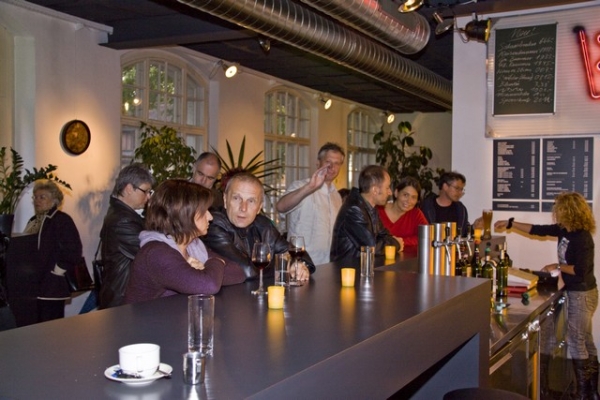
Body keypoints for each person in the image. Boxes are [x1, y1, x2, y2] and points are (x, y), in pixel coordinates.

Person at [495, 192, 599, 399]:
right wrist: (510, 223)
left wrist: (557, 266)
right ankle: (591, 391)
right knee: (584, 340)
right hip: (576, 292)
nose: (555, 212)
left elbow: (580, 269)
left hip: (582, 294)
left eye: (558, 209)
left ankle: (584, 394)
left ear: (568, 211)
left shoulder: (582, 238)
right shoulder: (564, 230)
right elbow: (537, 230)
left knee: (578, 342)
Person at [124, 180, 245, 304]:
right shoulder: (156, 253)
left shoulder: (193, 246)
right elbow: (209, 285)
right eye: (204, 211)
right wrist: (216, 262)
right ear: (184, 214)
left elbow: (238, 273)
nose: (210, 217)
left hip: (174, 315)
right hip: (147, 317)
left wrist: (204, 270)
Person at [204, 172, 316, 280]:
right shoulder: (213, 224)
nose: (243, 208)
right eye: (236, 198)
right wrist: (286, 263)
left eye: (251, 201)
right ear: (225, 200)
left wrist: (300, 266)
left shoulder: (263, 225)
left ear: (259, 207)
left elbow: (298, 254)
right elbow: (246, 271)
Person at [23, 180, 82, 323]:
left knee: (51, 328)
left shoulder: (62, 220)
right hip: (32, 287)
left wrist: (58, 270)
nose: (37, 200)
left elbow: (74, 249)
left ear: (54, 200)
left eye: (42, 197)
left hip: (52, 286)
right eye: (35, 197)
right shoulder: (33, 221)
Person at [275, 143, 345, 265]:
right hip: (302, 264)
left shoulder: (337, 196)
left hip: (329, 263)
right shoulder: (301, 186)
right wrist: (310, 187)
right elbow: (280, 207)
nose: (332, 167)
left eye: (337, 163)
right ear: (318, 163)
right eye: (328, 162)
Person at [98, 164, 155, 309]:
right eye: (145, 191)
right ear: (129, 188)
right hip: (122, 299)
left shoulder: (120, 213)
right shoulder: (122, 220)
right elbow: (150, 253)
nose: (148, 197)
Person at [330, 165, 400, 263]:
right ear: (375, 190)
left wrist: (389, 241)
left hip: (362, 266)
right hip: (346, 269)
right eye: (387, 187)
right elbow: (371, 247)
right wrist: (397, 244)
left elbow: (384, 234)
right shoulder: (354, 209)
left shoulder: (370, 206)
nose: (390, 192)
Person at [377, 177, 428, 249]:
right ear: (396, 193)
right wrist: (395, 243)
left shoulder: (415, 213)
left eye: (413, 197)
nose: (409, 201)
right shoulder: (378, 211)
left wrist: (400, 242)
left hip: (407, 256)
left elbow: (426, 236)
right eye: (405, 195)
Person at [420, 171, 478, 235]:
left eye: (461, 189)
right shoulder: (426, 207)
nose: (460, 193)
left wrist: (474, 227)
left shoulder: (460, 209)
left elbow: (464, 233)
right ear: (445, 186)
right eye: (457, 188)